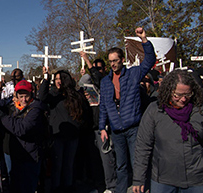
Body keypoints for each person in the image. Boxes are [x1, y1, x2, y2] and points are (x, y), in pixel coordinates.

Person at [99, 27, 156, 193]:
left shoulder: (133, 74)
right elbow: (104, 106)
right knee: (121, 165)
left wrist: (144, 40)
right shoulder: (105, 82)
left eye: (116, 60)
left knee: (138, 163)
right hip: (116, 130)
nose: (113, 64)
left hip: (133, 127)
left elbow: (150, 60)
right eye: (110, 61)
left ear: (122, 60)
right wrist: (102, 127)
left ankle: (143, 189)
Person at [132, 70, 203, 193]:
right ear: (169, 91)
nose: (183, 99)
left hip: (195, 179)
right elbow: (143, 146)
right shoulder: (155, 110)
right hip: (163, 179)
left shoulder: (199, 110)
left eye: (188, 94)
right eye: (178, 95)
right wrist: (139, 178)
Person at [39, 68, 92, 193]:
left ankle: (68, 187)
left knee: (68, 164)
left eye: (60, 79)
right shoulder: (53, 95)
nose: (58, 81)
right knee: (57, 165)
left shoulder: (75, 95)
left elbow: (83, 112)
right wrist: (46, 79)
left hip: (73, 136)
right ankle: (56, 188)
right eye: (56, 79)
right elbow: (41, 97)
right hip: (58, 135)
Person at [0, 80, 49, 193]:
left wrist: (3, 117)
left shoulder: (35, 109)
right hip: (16, 154)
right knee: (15, 185)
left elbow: (21, 129)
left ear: (32, 94)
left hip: (30, 155)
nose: (24, 100)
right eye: (21, 96)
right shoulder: (13, 107)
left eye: (26, 96)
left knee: (27, 186)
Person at [80, 51, 117, 193]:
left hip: (103, 126)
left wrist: (87, 60)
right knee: (94, 159)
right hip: (90, 127)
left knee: (107, 158)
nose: (96, 70)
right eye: (94, 68)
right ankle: (99, 184)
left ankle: (111, 186)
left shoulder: (106, 83)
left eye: (99, 68)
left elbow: (97, 77)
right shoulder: (88, 86)